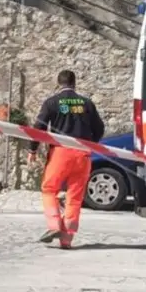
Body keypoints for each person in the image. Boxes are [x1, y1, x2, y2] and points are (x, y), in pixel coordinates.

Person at [30, 70, 106, 249]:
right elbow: (100, 129)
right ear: (74, 83)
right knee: (75, 196)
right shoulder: (87, 103)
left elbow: (38, 128)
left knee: (49, 188)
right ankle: (66, 240)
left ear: (59, 83)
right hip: (83, 154)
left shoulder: (51, 103)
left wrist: (32, 150)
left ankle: (54, 225)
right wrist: (90, 144)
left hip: (60, 152)